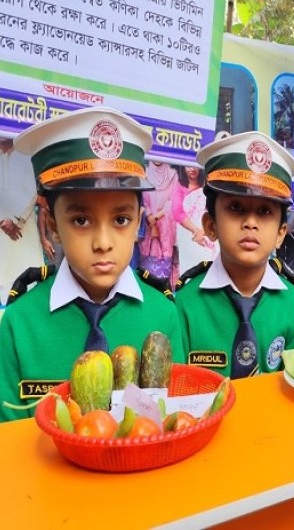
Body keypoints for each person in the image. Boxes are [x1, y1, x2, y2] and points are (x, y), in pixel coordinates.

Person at [0, 107, 184, 422]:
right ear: (54, 225)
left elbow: (172, 424)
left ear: (139, 222)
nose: (103, 242)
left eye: (121, 219)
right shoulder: (20, 323)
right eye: (81, 220)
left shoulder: (162, 315)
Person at [175, 132, 294, 379]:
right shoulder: (185, 304)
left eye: (265, 211)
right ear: (210, 225)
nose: (250, 222)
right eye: (236, 208)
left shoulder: (292, 302)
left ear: (280, 234)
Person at [0, 138, 45, 305]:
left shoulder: (27, 155)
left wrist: (16, 219)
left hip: (23, 229)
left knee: (25, 276)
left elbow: (34, 190)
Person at [172, 165, 216, 273]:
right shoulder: (179, 186)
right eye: (188, 166)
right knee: (190, 271)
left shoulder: (208, 183)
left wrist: (204, 232)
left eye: (194, 166)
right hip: (188, 234)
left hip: (207, 234)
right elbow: (177, 212)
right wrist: (196, 230)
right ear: (183, 168)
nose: (192, 169)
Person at [140, 160, 178, 284]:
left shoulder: (173, 175)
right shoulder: (144, 173)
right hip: (147, 224)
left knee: (165, 265)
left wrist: (155, 218)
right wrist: (150, 218)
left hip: (166, 226)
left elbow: (173, 201)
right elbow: (142, 199)